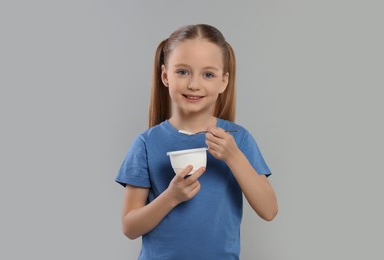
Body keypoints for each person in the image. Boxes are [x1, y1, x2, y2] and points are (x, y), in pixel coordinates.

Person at [116, 24, 278, 260]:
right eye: (182, 71)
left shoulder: (238, 139)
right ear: (165, 76)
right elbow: (130, 227)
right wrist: (171, 197)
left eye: (208, 74)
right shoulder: (146, 144)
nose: (194, 84)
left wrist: (233, 157)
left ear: (223, 82)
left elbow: (269, 210)